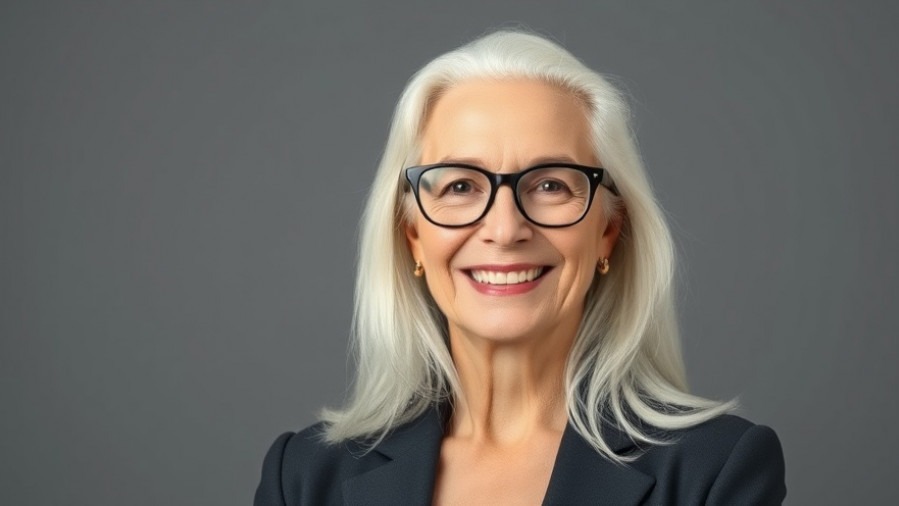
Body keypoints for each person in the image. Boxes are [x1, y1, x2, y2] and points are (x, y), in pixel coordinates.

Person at [255, 30, 786, 505]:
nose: (505, 229)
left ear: (607, 230)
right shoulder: (304, 477)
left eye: (550, 184)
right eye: (460, 186)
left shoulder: (713, 473)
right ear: (412, 236)